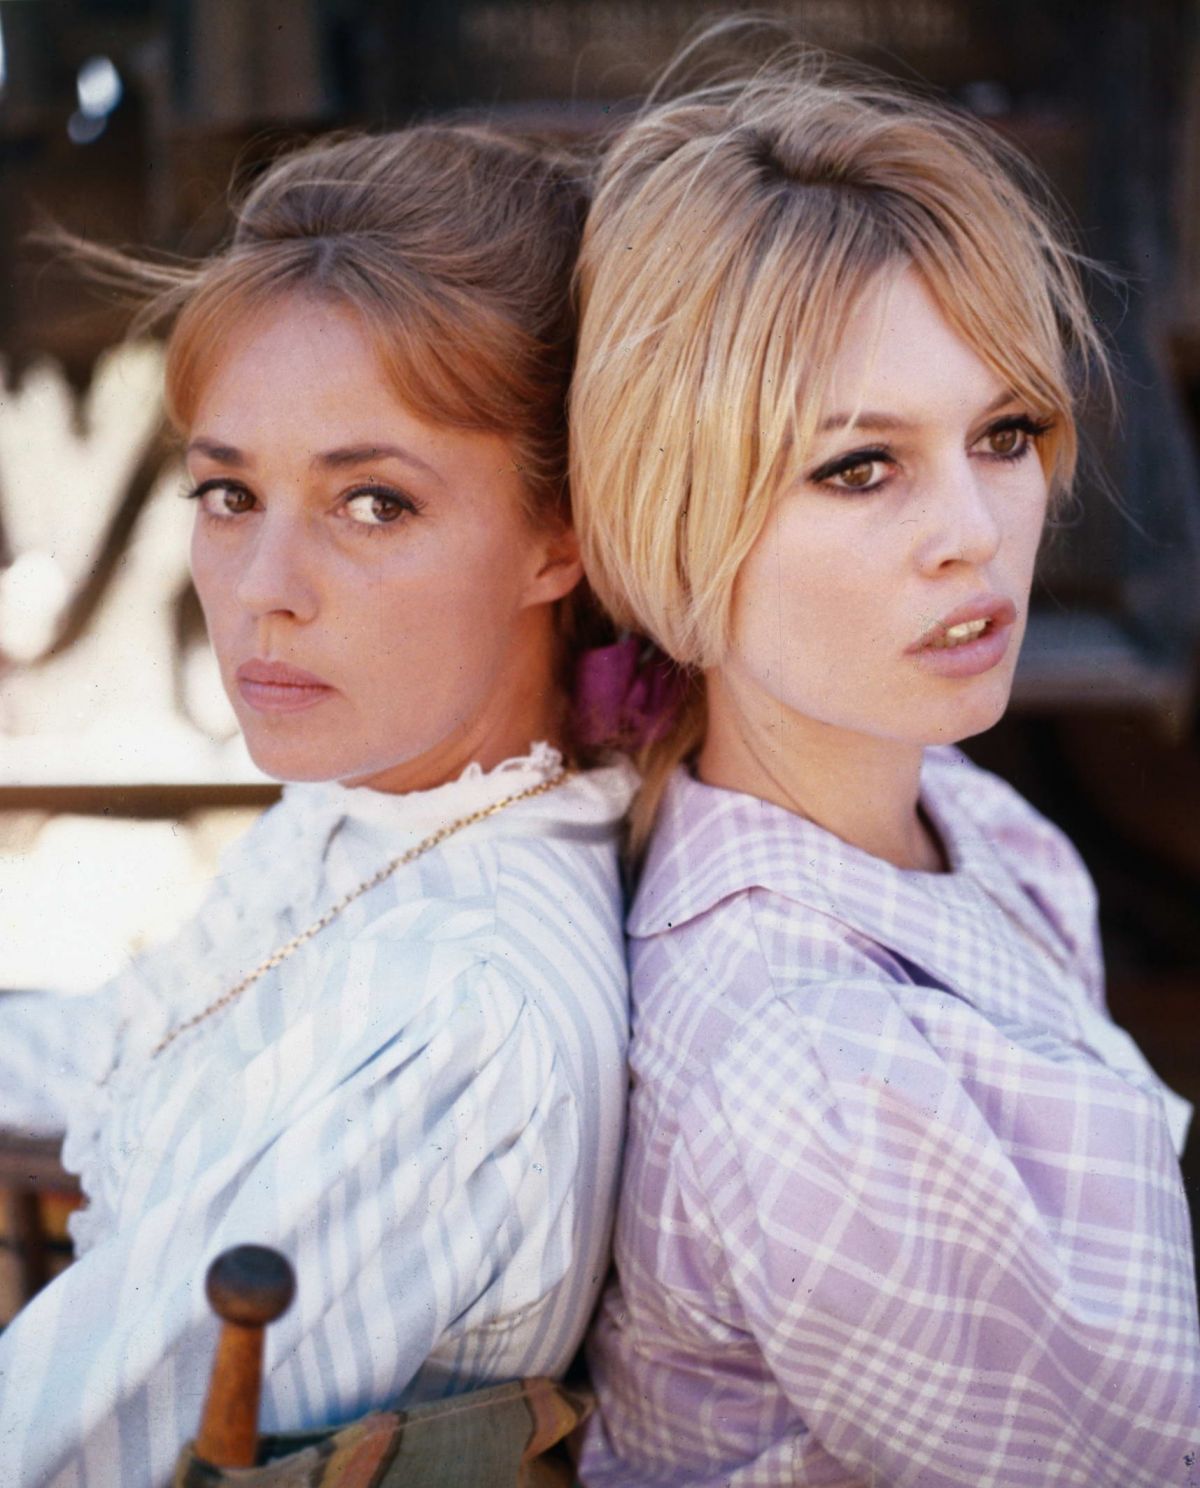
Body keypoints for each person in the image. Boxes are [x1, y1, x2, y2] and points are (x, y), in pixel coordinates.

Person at [568, 44, 1200, 1488]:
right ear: (675, 511)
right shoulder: (817, 1072)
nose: (975, 530)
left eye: (1005, 434)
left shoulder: (967, 820)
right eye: (860, 466)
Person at [0, 125, 635, 1488]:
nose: (260, 588)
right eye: (229, 492)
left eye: (372, 503)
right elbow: (120, 1037)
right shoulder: (376, 814)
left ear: (563, 533)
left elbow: (59, 1441)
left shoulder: (451, 1017)